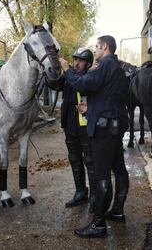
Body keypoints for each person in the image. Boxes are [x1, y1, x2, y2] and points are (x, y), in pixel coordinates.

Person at [59, 35, 130, 238]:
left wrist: (67, 69)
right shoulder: (118, 68)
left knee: (101, 175)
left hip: (104, 129)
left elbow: (83, 85)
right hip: (115, 125)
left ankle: (98, 224)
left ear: (105, 47)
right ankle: (117, 210)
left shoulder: (104, 65)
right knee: (119, 168)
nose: (96, 50)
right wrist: (91, 108)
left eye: (97, 47)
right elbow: (111, 97)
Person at [61, 47, 96, 213]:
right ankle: (81, 192)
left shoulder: (89, 77)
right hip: (70, 126)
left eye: (80, 61)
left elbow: (81, 86)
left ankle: (95, 196)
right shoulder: (69, 76)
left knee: (90, 161)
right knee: (75, 160)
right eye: (75, 60)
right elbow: (54, 83)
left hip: (85, 127)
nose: (76, 63)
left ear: (88, 64)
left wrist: (67, 70)